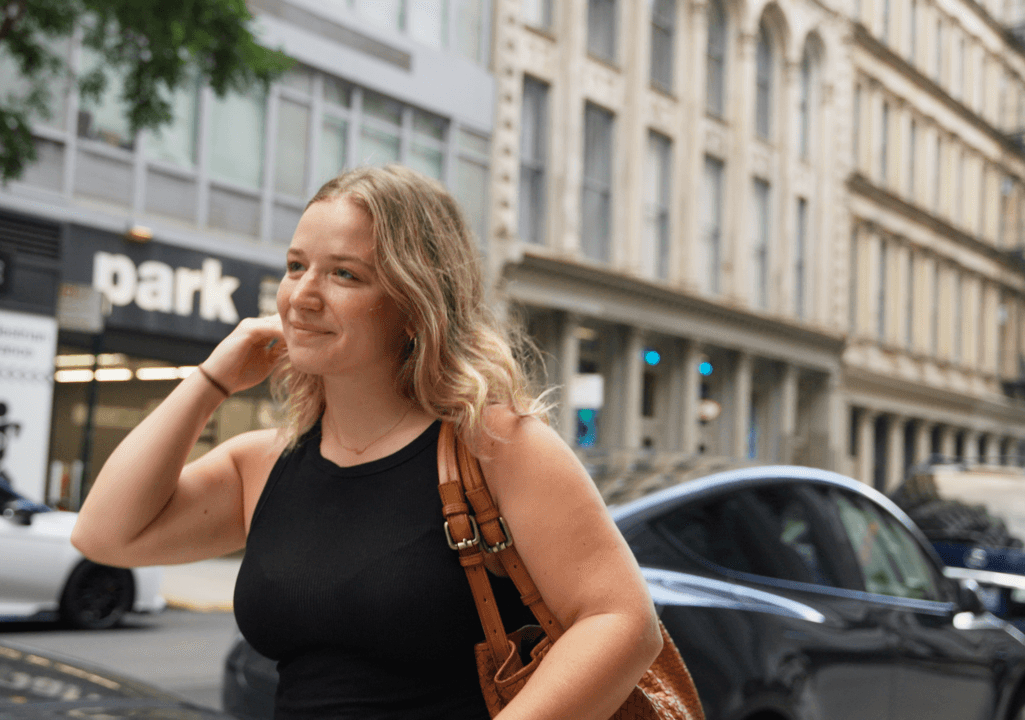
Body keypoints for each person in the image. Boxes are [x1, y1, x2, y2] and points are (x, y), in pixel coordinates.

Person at [71, 164, 662, 719]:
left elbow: (623, 622)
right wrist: (210, 380)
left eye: (343, 274)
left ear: (413, 303)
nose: (302, 294)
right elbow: (104, 534)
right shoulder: (265, 462)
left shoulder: (495, 443)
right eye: (295, 266)